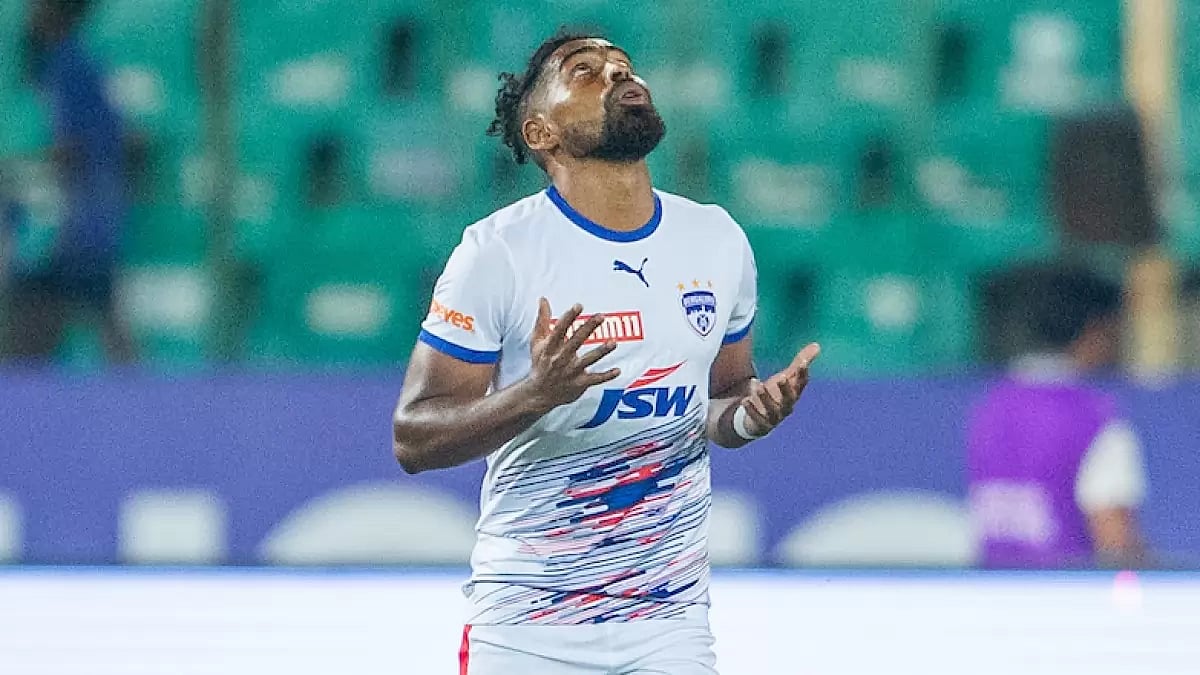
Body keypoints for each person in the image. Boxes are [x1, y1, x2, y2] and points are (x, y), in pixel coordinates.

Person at [392, 32, 820, 674]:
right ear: (540, 132)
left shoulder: (717, 240)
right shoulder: (498, 252)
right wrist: (535, 394)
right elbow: (414, 438)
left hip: (669, 625)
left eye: (622, 64)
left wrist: (750, 415)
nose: (617, 73)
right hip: (526, 629)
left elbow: (721, 401)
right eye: (585, 71)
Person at [967, 267, 1148, 569]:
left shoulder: (992, 406)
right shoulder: (1093, 418)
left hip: (994, 598)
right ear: (1096, 330)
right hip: (1069, 603)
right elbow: (1115, 541)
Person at [1, 0, 133, 364]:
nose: (29, 11)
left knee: (40, 337)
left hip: (68, 230)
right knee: (33, 341)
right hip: (55, 229)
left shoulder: (71, 67)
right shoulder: (50, 66)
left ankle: (154, 414)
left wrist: (17, 171)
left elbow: (72, 153)